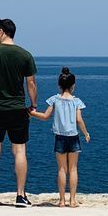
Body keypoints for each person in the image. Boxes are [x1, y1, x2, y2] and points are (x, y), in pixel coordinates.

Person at [0, 18, 38, 207]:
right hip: (18, 109)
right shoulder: (25, 55)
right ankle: (20, 195)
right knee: (19, 150)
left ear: (2, 31)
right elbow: (31, 83)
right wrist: (33, 105)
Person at [30, 66, 90, 207]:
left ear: (59, 85)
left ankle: (62, 201)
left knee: (62, 169)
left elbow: (45, 116)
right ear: (73, 85)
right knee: (73, 169)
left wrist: (31, 113)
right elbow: (79, 120)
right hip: (73, 136)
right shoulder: (77, 101)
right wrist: (86, 134)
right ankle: (73, 200)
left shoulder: (54, 100)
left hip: (59, 137)